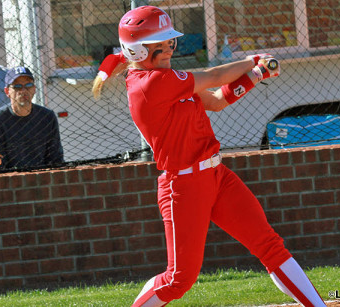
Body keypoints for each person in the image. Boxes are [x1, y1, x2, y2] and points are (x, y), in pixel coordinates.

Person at [92, 6, 326, 307]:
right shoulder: (152, 84)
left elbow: (215, 101)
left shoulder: (164, 76)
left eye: (169, 43)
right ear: (137, 50)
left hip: (217, 176)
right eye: (159, 46)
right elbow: (215, 75)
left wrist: (255, 74)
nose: (168, 50)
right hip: (184, 187)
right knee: (179, 279)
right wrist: (252, 61)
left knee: (270, 246)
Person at [0, 66, 64, 170]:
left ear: (34, 89)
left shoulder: (47, 117)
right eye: (17, 87)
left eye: (28, 85)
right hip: (9, 181)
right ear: (7, 91)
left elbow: (55, 158)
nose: (24, 90)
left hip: (43, 177)